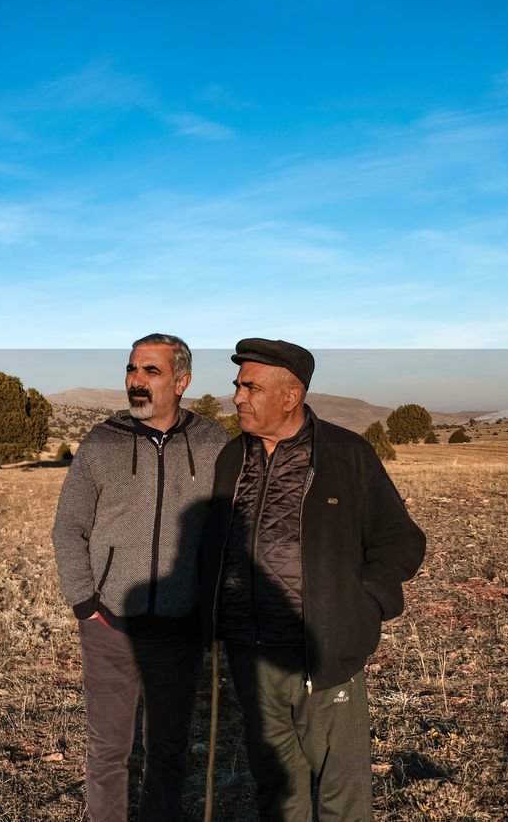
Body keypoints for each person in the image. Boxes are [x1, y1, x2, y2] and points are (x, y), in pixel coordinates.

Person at [200, 338, 426, 821]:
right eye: (238, 386)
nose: (237, 397)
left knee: (341, 795)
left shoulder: (346, 454)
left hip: (322, 653)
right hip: (249, 651)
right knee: (277, 792)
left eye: (250, 387)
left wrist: (364, 604)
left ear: (290, 394)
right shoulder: (231, 458)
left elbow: (400, 540)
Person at [51, 333, 230, 822]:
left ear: (182, 381)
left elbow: (232, 531)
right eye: (132, 370)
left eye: (151, 371)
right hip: (109, 626)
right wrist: (86, 606)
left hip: (181, 626)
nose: (136, 382)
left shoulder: (216, 444)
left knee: (169, 751)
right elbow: (68, 528)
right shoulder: (101, 441)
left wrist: (210, 606)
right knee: (107, 753)